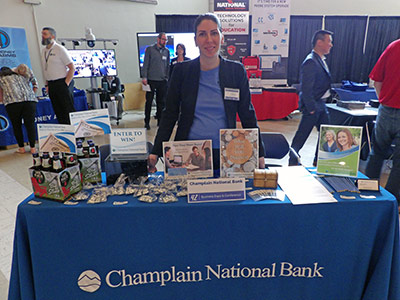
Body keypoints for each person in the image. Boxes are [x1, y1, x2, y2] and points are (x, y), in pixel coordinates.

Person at [148, 13, 265, 173]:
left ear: (222, 37)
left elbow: (247, 114)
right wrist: (155, 151)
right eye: (202, 34)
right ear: (195, 40)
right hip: (187, 150)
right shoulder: (181, 71)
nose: (209, 40)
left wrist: (260, 153)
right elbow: (170, 114)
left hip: (227, 153)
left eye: (214, 33)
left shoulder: (236, 71)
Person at [289, 30, 333, 166]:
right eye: (329, 41)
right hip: (313, 105)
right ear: (319, 43)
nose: (331, 45)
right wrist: (311, 108)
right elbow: (306, 88)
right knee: (302, 134)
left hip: (321, 104)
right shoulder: (310, 61)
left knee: (327, 133)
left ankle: (319, 159)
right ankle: (293, 159)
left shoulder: (319, 60)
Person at [365, 39, 400, 204]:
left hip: (386, 110)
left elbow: (376, 79)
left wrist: (383, 101)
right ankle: (392, 200)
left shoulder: (393, 46)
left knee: (377, 153)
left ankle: (366, 192)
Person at [41, 27, 76, 124]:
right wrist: (47, 84)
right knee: (58, 111)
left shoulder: (59, 49)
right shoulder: (44, 51)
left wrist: (66, 83)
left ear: (52, 36)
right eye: (42, 34)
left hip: (62, 82)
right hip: (51, 84)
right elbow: (46, 69)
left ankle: (78, 136)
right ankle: (65, 135)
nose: (42, 36)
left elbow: (71, 67)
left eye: (45, 34)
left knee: (68, 110)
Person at [0, 66, 38, 154]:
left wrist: (2, 101)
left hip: (13, 102)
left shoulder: (1, 78)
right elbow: (34, 81)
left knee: (16, 125)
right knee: (30, 125)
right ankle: (33, 148)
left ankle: (21, 148)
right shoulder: (21, 75)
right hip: (29, 100)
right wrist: (34, 91)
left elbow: (0, 93)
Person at [141, 32, 170, 130]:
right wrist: (144, 77)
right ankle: (147, 122)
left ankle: (160, 122)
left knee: (161, 102)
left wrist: (167, 77)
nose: (165, 42)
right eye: (163, 39)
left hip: (162, 81)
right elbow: (145, 64)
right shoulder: (150, 49)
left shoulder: (167, 51)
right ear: (158, 39)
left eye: (166, 40)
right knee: (149, 101)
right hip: (151, 80)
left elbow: (168, 66)